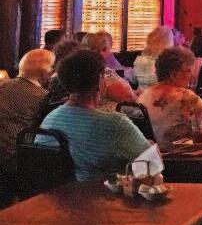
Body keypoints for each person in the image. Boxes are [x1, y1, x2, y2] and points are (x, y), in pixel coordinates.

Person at [39, 50, 152, 182]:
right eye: (106, 75)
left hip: (56, 193)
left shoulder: (50, 119)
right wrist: (146, 149)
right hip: (100, 192)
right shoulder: (115, 124)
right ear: (99, 80)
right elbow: (153, 166)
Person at [138, 47, 202, 150]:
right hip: (181, 155)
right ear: (173, 74)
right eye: (188, 71)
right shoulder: (184, 96)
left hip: (155, 154)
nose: (192, 75)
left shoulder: (144, 95)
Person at [0, 49, 55, 194]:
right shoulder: (42, 95)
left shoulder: (3, 85)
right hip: (14, 157)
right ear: (44, 72)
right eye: (52, 67)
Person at [84, 31, 136, 106]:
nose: (110, 52)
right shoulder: (105, 73)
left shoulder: (80, 69)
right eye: (109, 48)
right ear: (101, 51)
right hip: (111, 110)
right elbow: (128, 98)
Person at [134, 26, 175, 90]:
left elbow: (135, 79)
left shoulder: (140, 59)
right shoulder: (164, 63)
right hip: (158, 94)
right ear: (168, 42)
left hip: (141, 94)